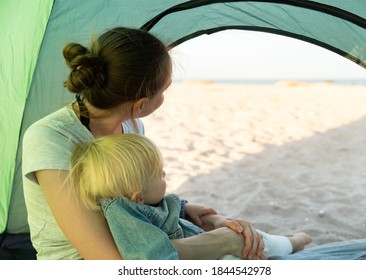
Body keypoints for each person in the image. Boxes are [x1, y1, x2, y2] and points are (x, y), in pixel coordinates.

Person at [22, 27, 264, 260]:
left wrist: (192, 213)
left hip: (137, 241)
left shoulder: (130, 127)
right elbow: (107, 259)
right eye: (164, 90)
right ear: (140, 104)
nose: (164, 98)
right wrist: (220, 241)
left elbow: (132, 199)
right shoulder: (51, 137)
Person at [67, 133, 312, 259]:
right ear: (137, 196)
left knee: (260, 239)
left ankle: (293, 242)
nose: (165, 175)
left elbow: (165, 209)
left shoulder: (141, 201)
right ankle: (289, 244)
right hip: (203, 259)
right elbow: (152, 256)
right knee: (240, 255)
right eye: (159, 175)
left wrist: (186, 208)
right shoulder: (124, 214)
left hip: (204, 244)